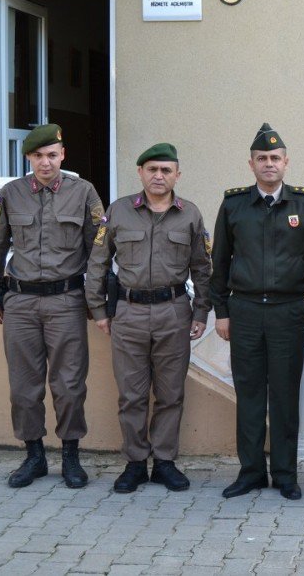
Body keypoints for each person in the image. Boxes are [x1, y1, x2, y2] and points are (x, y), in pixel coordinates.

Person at [0, 123, 104, 489]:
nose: (45, 162)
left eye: (52, 155)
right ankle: (34, 455)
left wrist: (93, 298)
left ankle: (70, 455)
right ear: (29, 158)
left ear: (63, 155)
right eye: (38, 156)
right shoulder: (11, 193)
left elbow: (98, 250)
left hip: (65, 300)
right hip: (19, 301)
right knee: (23, 385)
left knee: (68, 385)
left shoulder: (84, 193)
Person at [85, 143, 211, 493]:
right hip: (129, 312)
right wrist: (98, 310)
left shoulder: (190, 214)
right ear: (140, 172)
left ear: (177, 175)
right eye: (152, 169)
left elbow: (203, 268)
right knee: (131, 394)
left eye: (166, 170)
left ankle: (165, 462)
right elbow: (97, 262)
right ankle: (136, 463)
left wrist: (201, 310)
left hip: (174, 312)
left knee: (171, 393)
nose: (159, 176)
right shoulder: (118, 211)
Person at [211, 123, 304, 501]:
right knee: (249, 394)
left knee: (284, 395)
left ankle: (286, 474)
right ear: (251, 164)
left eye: (275, 158)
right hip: (243, 312)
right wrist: (221, 312)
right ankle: (251, 472)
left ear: (286, 163)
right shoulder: (234, 205)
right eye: (262, 158)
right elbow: (220, 263)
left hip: (288, 312)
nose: (269, 164)